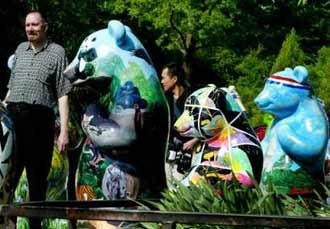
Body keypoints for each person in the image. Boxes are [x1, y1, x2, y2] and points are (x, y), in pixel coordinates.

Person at [3, 11, 71, 228]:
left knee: (36, 181)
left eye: (35, 25)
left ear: (45, 26)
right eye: (27, 25)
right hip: (13, 117)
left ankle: (34, 226)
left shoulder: (57, 52)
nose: (30, 29)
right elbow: (11, 86)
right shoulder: (20, 50)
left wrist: (64, 132)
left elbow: (63, 92)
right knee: (7, 179)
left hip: (39, 120)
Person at [161, 63, 198, 172]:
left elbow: (205, 124)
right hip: (172, 152)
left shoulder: (192, 98)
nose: (162, 81)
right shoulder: (165, 99)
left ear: (174, 79)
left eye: (164, 78)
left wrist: (194, 141)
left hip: (192, 151)